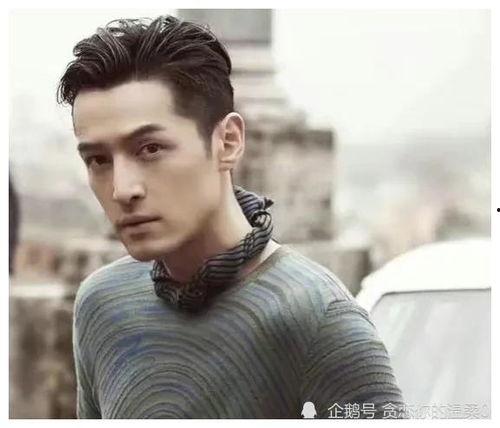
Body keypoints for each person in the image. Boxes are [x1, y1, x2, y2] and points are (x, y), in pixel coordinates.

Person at [58, 15, 407, 419]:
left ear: (228, 142)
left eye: (150, 149)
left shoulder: (319, 319)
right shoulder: (102, 303)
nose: (122, 189)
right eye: (98, 160)